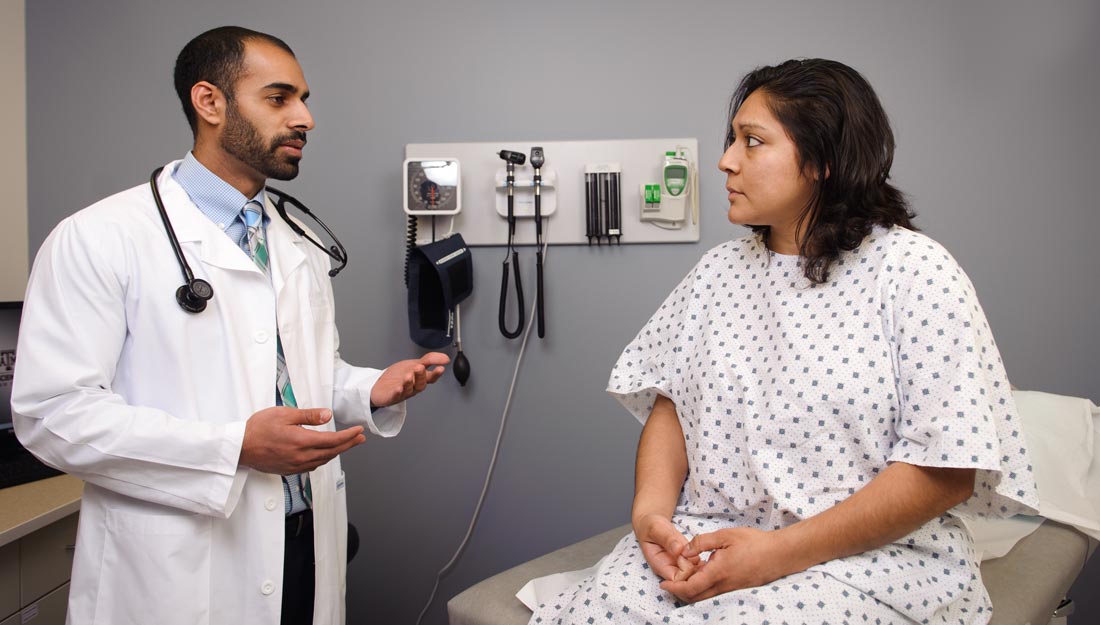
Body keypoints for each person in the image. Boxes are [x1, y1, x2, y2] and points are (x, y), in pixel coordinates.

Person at [529, 59, 1038, 624]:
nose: (725, 160)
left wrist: (773, 555)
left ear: (822, 161)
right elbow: (672, 407)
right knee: (598, 609)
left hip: (869, 558)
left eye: (752, 142)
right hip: (712, 539)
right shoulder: (717, 274)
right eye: (732, 140)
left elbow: (945, 469)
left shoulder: (914, 272)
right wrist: (652, 518)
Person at [11, 26, 448, 625]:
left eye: (304, 98)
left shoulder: (297, 242)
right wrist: (234, 446)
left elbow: (292, 373)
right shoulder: (99, 237)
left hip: (304, 540)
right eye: (279, 98)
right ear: (209, 102)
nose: (306, 118)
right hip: (178, 564)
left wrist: (364, 389)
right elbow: (52, 414)